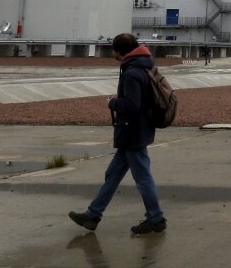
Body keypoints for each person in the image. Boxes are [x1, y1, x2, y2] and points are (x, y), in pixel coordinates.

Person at [69, 33, 167, 234]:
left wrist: (112, 103)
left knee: (143, 178)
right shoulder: (144, 66)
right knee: (112, 175)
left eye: (113, 50)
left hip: (132, 132)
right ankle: (93, 214)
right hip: (136, 131)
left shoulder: (131, 72)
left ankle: (155, 218)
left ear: (120, 51)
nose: (112, 53)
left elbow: (132, 105)